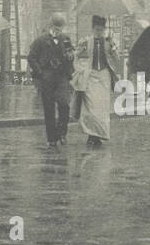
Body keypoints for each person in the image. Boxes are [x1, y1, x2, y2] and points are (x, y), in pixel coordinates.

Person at [28, 12, 75, 148]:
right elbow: (31, 57)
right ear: (51, 25)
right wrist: (40, 72)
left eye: (60, 27)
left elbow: (69, 56)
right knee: (48, 108)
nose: (57, 30)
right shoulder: (40, 40)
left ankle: (62, 132)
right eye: (55, 27)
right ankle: (51, 138)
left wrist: (70, 57)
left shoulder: (66, 39)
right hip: (47, 77)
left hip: (61, 77)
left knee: (64, 104)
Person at [72, 15, 120, 147]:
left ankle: (99, 135)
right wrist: (79, 52)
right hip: (91, 76)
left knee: (102, 108)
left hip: (104, 76)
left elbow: (116, 60)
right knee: (91, 107)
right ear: (93, 29)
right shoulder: (86, 41)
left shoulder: (109, 42)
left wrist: (113, 48)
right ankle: (91, 134)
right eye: (97, 29)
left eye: (102, 30)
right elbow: (77, 56)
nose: (99, 32)